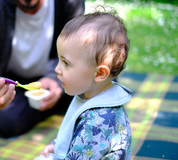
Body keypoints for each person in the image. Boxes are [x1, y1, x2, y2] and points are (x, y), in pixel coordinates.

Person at [0, 0, 85, 137]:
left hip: (57, 75)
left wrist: (53, 78)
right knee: (9, 120)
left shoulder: (70, 3)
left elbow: (77, 50)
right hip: (9, 84)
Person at [38, 7, 133, 160]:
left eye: (66, 63)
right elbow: (74, 134)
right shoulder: (89, 93)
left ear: (100, 73)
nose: (57, 69)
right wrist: (57, 146)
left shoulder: (97, 122)